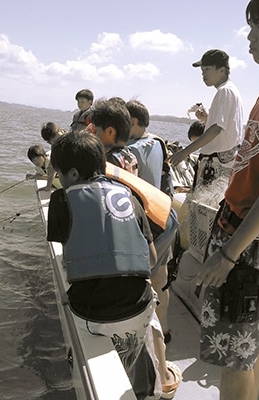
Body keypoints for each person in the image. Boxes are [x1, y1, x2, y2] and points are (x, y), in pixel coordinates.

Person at [47, 130, 180, 399]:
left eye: (59, 174)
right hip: (137, 307)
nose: (59, 180)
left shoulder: (61, 200)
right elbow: (151, 259)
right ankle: (159, 383)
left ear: (72, 173)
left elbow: (68, 255)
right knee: (149, 323)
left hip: (89, 313)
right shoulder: (130, 197)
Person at [196, 1, 259, 399]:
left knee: (232, 359)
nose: (249, 36)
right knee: (248, 348)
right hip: (241, 236)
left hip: (248, 249)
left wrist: (228, 254)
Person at [90, 98, 181, 397]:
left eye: (96, 127)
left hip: (148, 232)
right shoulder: (154, 145)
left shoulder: (113, 159)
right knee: (160, 284)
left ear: (112, 131)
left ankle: (160, 373)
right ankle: (164, 347)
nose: (91, 129)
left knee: (145, 300)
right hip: (165, 217)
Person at [125, 99, 178, 343]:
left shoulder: (129, 152)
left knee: (144, 285)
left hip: (148, 225)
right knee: (162, 279)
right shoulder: (158, 142)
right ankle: (165, 329)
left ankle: (149, 340)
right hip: (166, 217)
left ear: (133, 122)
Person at [170, 49, 244, 191]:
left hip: (216, 164)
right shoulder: (232, 90)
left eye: (207, 69)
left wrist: (185, 152)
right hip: (227, 161)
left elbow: (216, 129)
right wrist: (207, 118)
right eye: (202, 70)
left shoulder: (224, 91)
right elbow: (227, 126)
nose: (203, 74)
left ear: (222, 70)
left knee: (203, 209)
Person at [39, 122, 66, 191]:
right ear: (49, 142)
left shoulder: (74, 138)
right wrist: (48, 186)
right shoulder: (56, 146)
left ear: (61, 130)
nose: (58, 141)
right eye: (54, 141)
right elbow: (51, 166)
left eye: (57, 137)